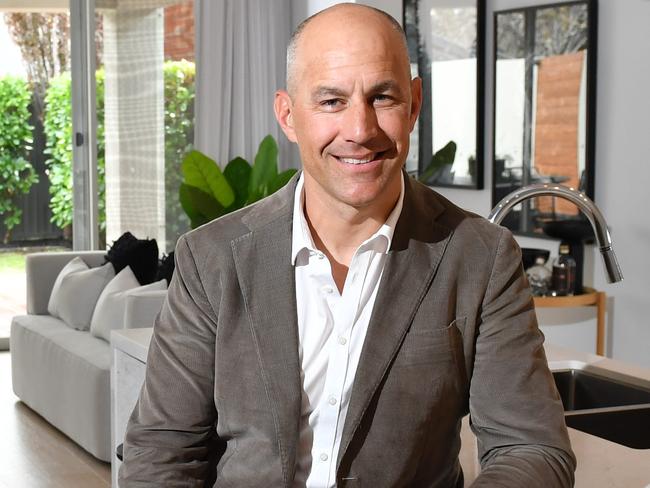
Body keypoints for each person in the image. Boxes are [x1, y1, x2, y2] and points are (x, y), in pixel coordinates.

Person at [119, 3, 576, 487]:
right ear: (289, 115)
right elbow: (162, 452)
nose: (360, 131)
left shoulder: (482, 258)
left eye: (382, 97)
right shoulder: (211, 257)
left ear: (414, 105)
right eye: (332, 101)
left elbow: (531, 448)